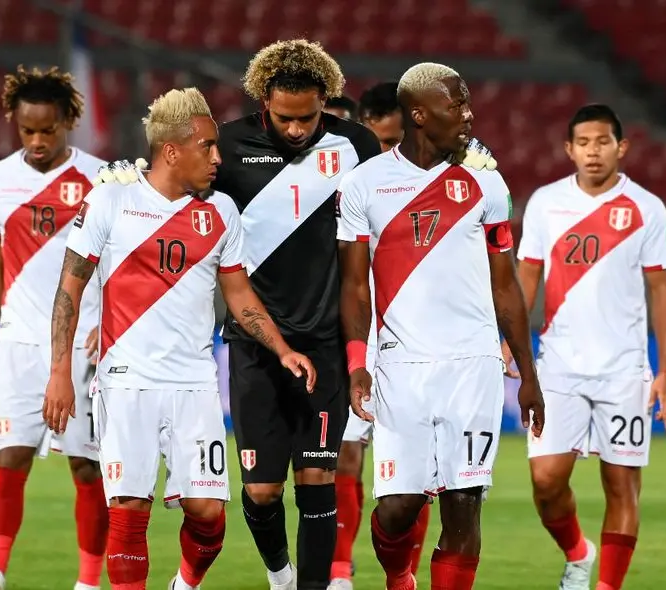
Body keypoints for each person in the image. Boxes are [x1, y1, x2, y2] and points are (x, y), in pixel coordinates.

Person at [93, 39, 498, 590]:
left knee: (317, 481)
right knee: (259, 494)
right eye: (285, 118)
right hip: (254, 341)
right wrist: (130, 178)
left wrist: (461, 166)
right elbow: (181, 193)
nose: (297, 130)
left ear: (325, 104)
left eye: (309, 117)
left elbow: (401, 193)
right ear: (264, 101)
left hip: (326, 341)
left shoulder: (354, 144)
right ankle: (280, 574)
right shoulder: (230, 146)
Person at [41, 87, 317, 590]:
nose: (218, 157)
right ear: (172, 151)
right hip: (127, 381)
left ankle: (183, 585)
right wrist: (60, 372)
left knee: (209, 514)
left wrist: (282, 349)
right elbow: (68, 291)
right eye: (208, 147)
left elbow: (239, 294)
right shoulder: (111, 199)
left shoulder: (221, 213)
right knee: (128, 508)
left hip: (194, 383)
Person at [337, 62, 544, 590]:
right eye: (458, 106)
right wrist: (357, 363)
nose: (470, 115)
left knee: (463, 503)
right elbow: (356, 286)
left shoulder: (486, 183)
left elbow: (506, 287)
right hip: (399, 366)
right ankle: (399, 573)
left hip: (472, 366)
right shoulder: (364, 185)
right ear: (420, 114)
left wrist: (528, 374)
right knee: (398, 508)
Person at [511, 103, 666, 590]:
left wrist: (665, 371)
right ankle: (577, 553)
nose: (592, 151)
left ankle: (606, 586)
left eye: (602, 142)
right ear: (569, 149)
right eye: (583, 143)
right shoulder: (545, 203)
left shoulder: (647, 208)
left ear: (620, 147)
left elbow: (663, 291)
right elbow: (526, 276)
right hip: (559, 365)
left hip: (624, 369)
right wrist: (512, 341)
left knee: (622, 484)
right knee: (546, 480)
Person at [0, 66, 108, 590]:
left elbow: (123, 261)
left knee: (87, 468)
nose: (38, 141)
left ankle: (88, 583)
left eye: (48, 129)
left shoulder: (102, 177)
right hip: (18, 342)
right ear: (14, 123)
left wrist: (110, 323)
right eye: (27, 131)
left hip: (85, 343)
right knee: (11, 458)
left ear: (68, 120)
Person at [331, 81, 430, 589]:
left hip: (415, 335)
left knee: (419, 473)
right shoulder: (348, 188)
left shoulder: (429, 183)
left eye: (398, 141)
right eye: (381, 141)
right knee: (346, 453)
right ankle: (341, 571)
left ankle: (403, 574)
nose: (391, 152)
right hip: (356, 330)